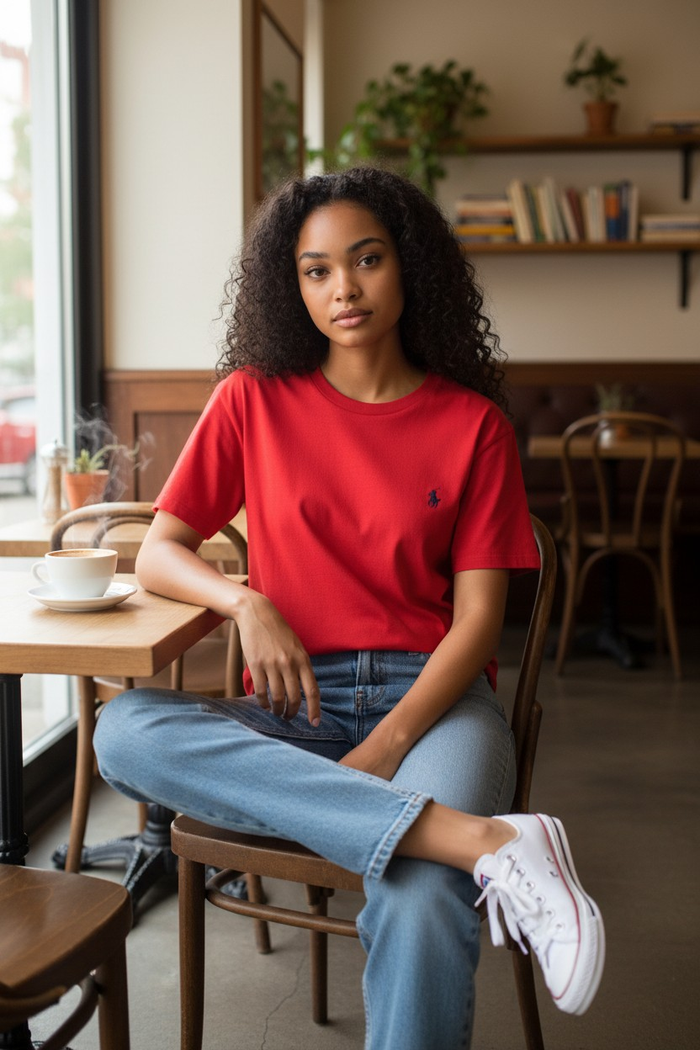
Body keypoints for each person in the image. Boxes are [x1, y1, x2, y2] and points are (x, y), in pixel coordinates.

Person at [94, 166, 604, 1048]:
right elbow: (160, 550)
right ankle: (485, 840)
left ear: (407, 266)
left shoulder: (473, 424)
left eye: (365, 260)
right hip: (295, 705)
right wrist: (243, 600)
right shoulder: (251, 400)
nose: (344, 289)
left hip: (438, 706)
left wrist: (389, 744)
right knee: (124, 732)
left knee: (418, 890)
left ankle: (451, 843)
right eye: (316, 270)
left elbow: (479, 622)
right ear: (292, 287)